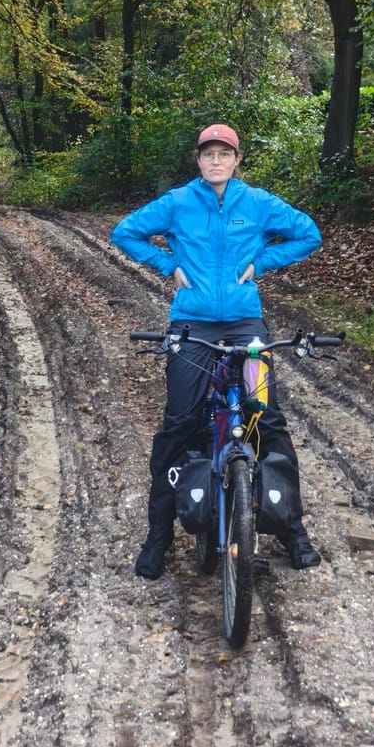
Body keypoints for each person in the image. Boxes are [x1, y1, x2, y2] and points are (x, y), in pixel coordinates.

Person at [111, 122, 324, 580]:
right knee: (180, 423)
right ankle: (158, 536)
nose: (215, 161)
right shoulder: (178, 202)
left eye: (223, 154)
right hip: (192, 323)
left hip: (246, 323)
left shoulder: (258, 203)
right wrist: (167, 264)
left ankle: (293, 530)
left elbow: (309, 234)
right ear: (198, 159)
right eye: (208, 154)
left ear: (236, 159)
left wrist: (261, 263)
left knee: (266, 419)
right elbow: (125, 232)